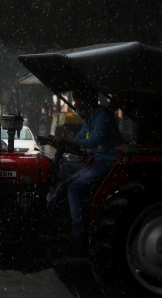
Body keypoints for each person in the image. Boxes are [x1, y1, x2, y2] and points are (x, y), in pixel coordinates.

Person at [47, 89, 124, 239]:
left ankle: (79, 232)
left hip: (108, 161)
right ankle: (47, 217)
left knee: (75, 188)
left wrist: (67, 141)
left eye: (77, 100)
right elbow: (79, 138)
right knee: (65, 185)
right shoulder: (89, 119)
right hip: (98, 162)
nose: (75, 104)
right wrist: (60, 141)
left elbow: (93, 141)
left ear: (86, 101)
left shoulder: (102, 116)